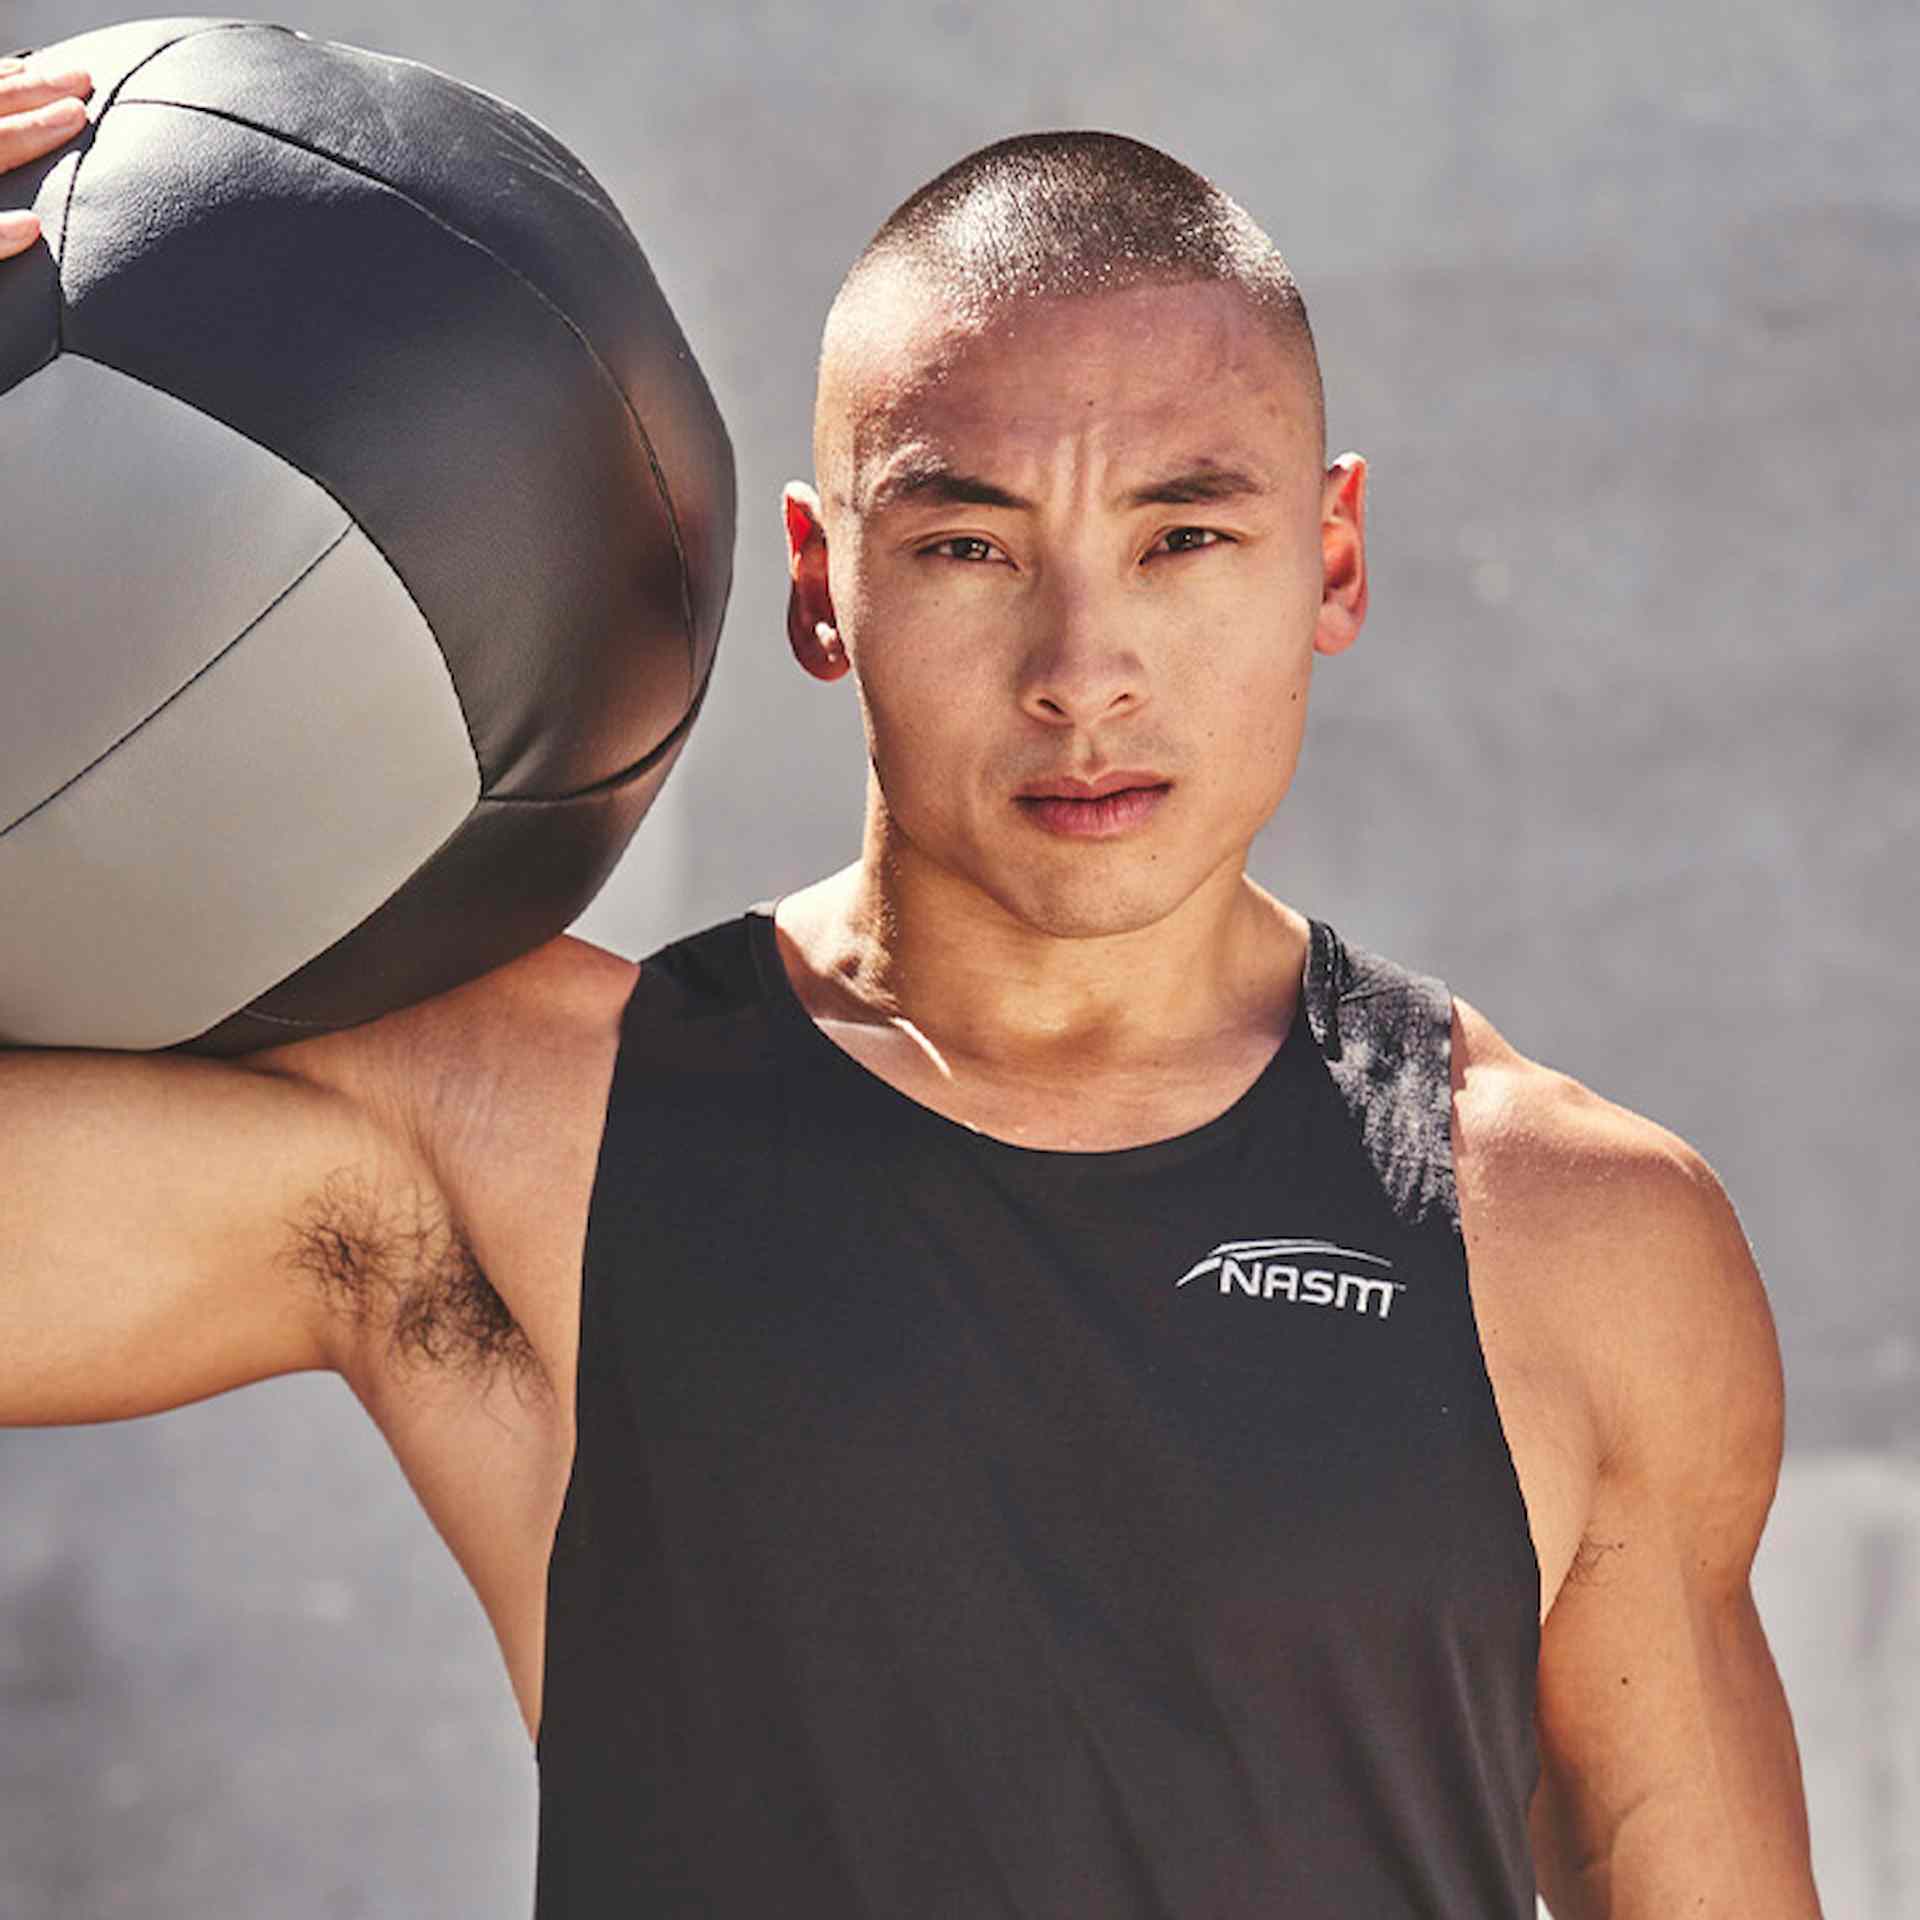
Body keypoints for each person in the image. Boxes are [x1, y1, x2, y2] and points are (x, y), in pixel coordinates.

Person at [2, 57, 1822, 1918]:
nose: (1082, 669)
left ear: (1330, 558)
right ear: (819, 586)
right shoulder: (520, 1127)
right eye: (966, 546)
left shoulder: (1574, 1231)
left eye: (1184, 538)